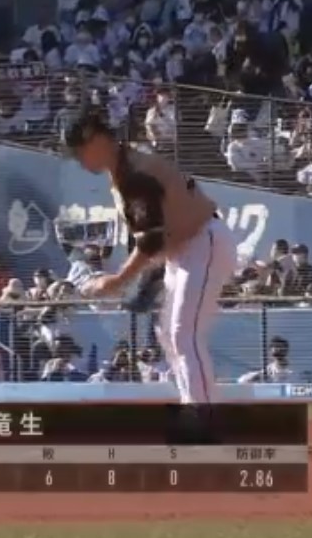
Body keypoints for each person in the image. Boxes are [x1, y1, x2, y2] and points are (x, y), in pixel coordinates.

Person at [61, 112, 237, 408]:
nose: (79, 160)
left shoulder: (134, 173)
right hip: (183, 249)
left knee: (183, 334)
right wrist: (147, 277)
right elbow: (160, 233)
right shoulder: (125, 168)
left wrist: (117, 280)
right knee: (169, 334)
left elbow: (152, 239)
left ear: (98, 140)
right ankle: (194, 404)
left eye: (80, 150)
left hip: (202, 241)